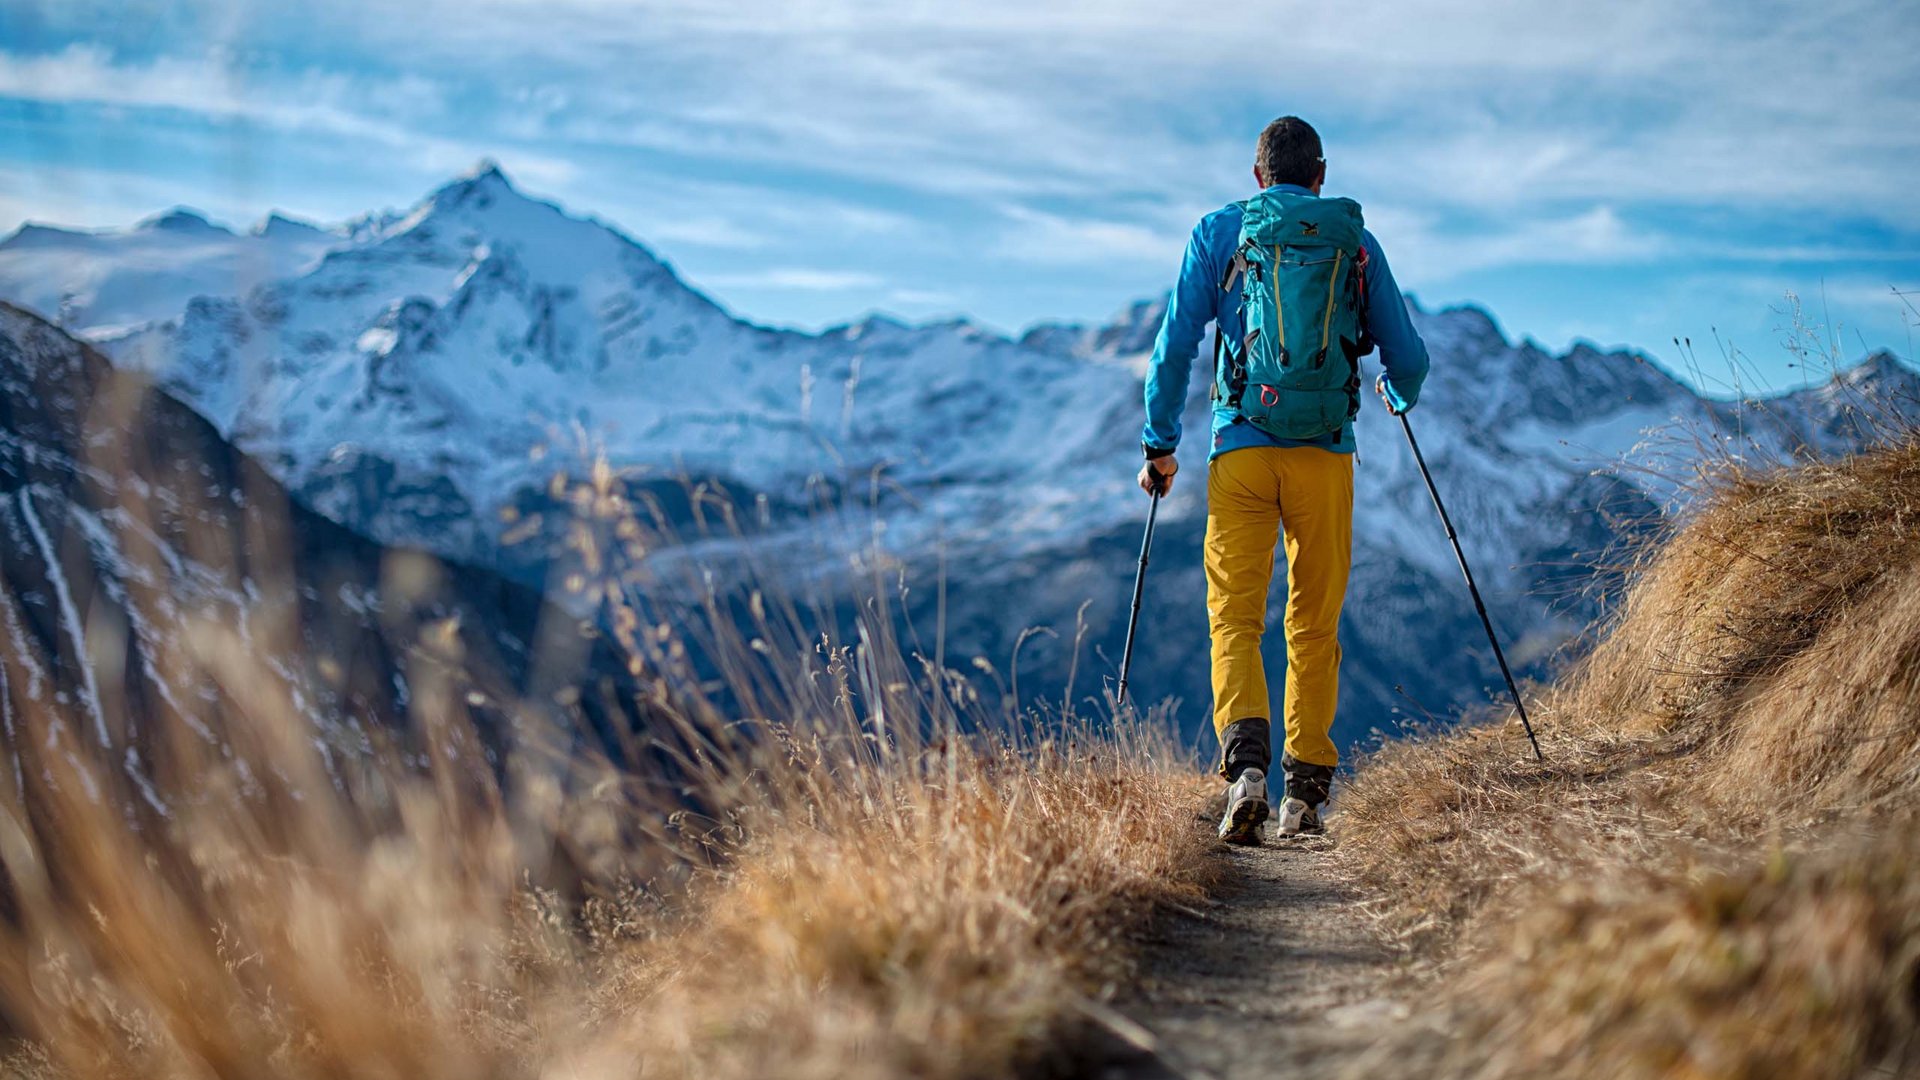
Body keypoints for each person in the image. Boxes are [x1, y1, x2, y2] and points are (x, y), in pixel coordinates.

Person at [1137, 116, 1429, 845]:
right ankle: (1305, 795)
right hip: (1325, 454)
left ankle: (1245, 774)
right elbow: (1410, 356)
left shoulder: (1220, 232)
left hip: (1240, 450)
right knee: (1314, 622)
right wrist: (1397, 391)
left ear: (1258, 174)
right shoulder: (1353, 241)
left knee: (1236, 615)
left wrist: (1160, 443)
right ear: (1321, 172)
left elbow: (1174, 345)